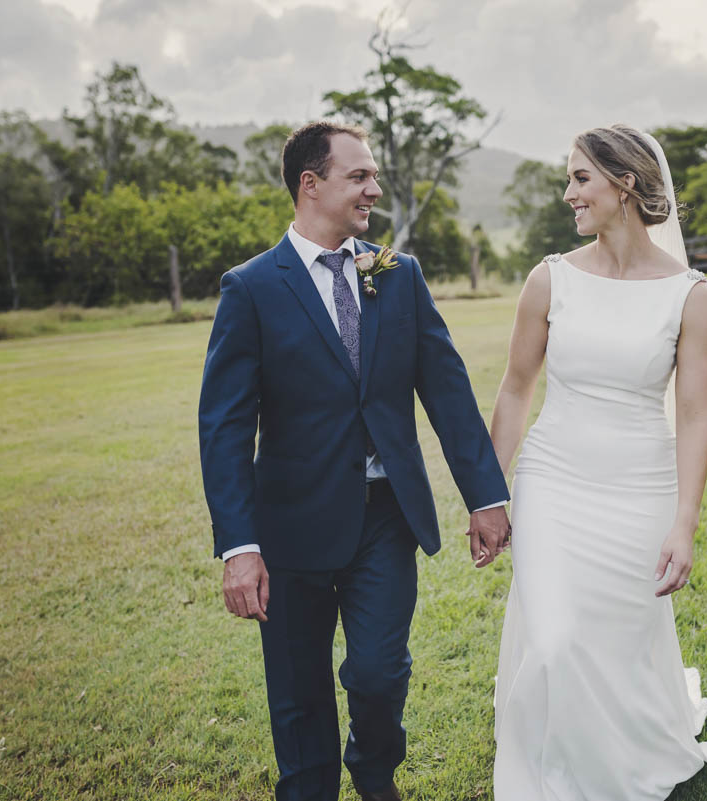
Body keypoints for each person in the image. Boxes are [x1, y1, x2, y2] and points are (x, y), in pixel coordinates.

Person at [197, 121, 511, 801]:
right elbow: (223, 427)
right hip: (290, 529)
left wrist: (485, 495)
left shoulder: (396, 274)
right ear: (310, 184)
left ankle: (374, 770)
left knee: (378, 672)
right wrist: (239, 546)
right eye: (359, 175)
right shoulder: (250, 288)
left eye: (373, 175)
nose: (375, 187)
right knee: (298, 690)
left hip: (384, 519)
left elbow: (448, 391)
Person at [489, 124, 707, 799]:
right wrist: (487, 493)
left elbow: (697, 415)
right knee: (557, 638)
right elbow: (514, 388)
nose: (569, 194)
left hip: (641, 489)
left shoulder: (690, 296)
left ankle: (627, 750)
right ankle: (550, 768)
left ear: (625, 184)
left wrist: (684, 522)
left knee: (618, 642)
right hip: (554, 481)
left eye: (581, 178)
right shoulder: (550, 278)